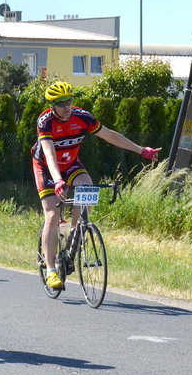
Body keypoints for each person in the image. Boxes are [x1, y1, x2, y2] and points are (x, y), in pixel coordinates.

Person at [33, 81, 161, 289]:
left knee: (88, 186)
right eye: (61, 103)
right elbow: (48, 152)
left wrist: (141, 150)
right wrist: (57, 180)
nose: (67, 106)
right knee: (52, 214)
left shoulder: (82, 117)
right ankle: (51, 270)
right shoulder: (45, 121)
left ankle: (75, 232)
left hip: (71, 164)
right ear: (52, 105)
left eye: (69, 101)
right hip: (47, 167)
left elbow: (110, 135)